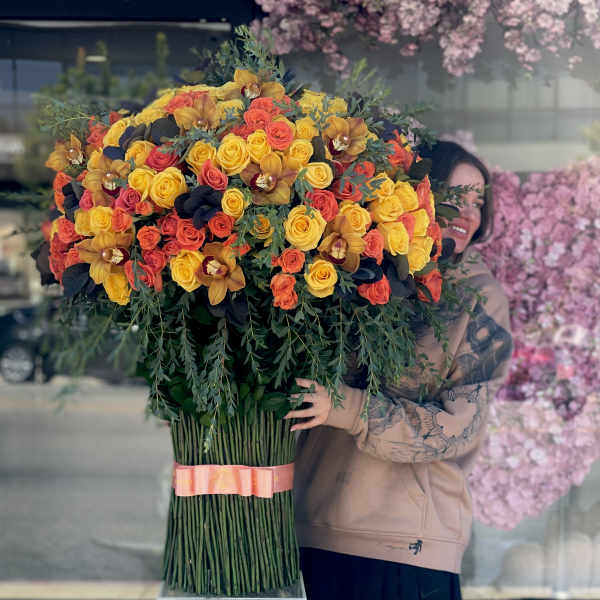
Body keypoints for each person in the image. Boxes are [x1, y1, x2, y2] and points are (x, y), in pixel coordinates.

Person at [286, 141, 513, 600]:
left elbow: (457, 428)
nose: (468, 213)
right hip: (312, 529)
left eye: (477, 202)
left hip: (407, 547)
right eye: (455, 197)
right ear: (416, 197)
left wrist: (348, 410)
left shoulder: (480, 300)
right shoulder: (354, 268)